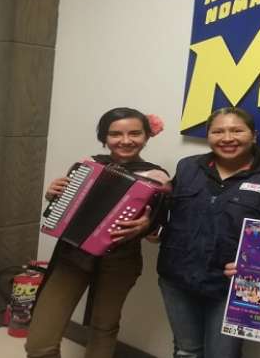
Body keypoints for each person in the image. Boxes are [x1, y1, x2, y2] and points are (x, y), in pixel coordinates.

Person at [25, 107, 170, 358]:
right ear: (104, 138)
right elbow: (61, 213)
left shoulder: (157, 177)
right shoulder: (88, 165)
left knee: (104, 326)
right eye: (115, 134)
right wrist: (54, 195)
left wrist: (146, 226)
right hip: (72, 257)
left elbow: (157, 230)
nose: (125, 141)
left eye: (135, 133)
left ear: (147, 137)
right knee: (40, 341)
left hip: (120, 260)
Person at [157, 107, 260, 358]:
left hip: (234, 286)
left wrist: (258, 263)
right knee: (186, 351)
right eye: (218, 131)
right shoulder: (188, 166)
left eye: (237, 130)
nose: (227, 138)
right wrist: (152, 226)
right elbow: (168, 209)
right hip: (177, 277)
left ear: (254, 135)